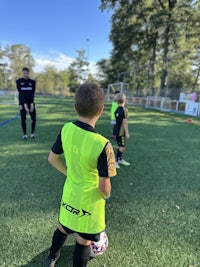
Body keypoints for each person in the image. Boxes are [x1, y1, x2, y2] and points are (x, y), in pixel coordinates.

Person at [46, 83, 116, 267]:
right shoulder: (103, 144)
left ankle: (52, 257)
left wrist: (71, 174)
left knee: (63, 228)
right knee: (83, 241)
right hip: (89, 203)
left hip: (70, 194)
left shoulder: (66, 129)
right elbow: (104, 186)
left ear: (75, 107)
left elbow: (52, 158)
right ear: (101, 110)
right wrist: (107, 195)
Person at [16, 67, 36, 139]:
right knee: (23, 118)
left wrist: (31, 104)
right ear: (22, 73)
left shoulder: (32, 82)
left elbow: (32, 93)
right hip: (22, 103)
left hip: (30, 102)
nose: (25, 74)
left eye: (27, 73)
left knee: (33, 118)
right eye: (24, 73)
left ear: (28, 73)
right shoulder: (18, 81)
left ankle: (32, 133)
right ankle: (24, 134)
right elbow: (20, 94)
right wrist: (24, 104)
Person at [114, 93, 130, 169]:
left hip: (116, 130)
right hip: (121, 132)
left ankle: (120, 159)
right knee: (122, 147)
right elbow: (124, 122)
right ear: (125, 100)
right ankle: (115, 161)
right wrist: (127, 132)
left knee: (121, 146)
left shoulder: (117, 110)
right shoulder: (124, 110)